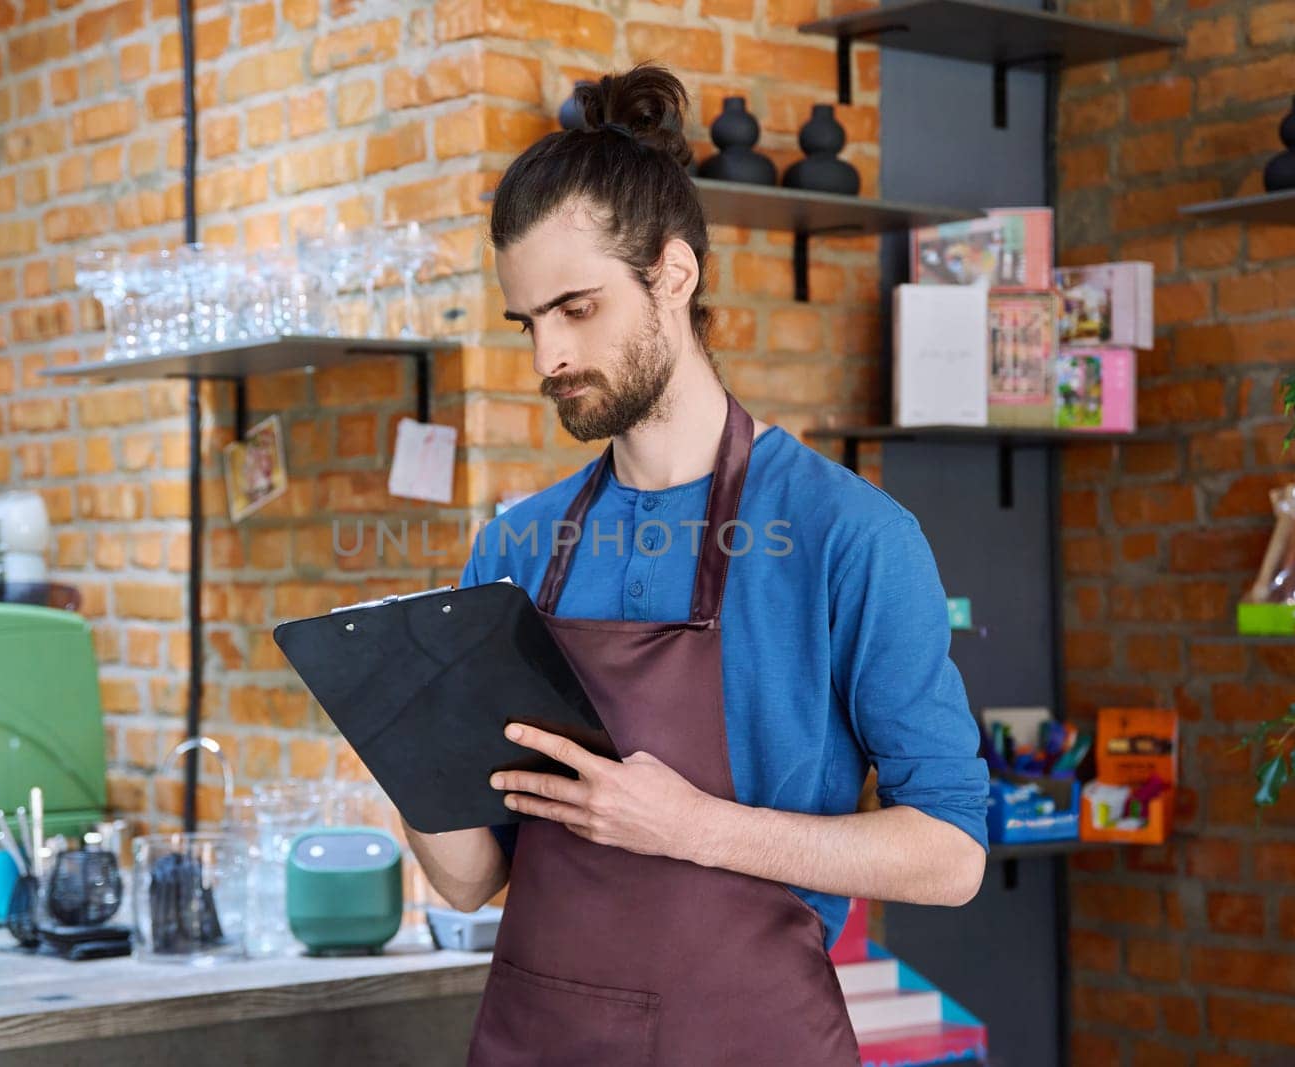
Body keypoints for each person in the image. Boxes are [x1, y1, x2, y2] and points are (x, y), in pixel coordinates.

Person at [399, 63, 988, 1065]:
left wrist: (694, 825)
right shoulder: (514, 546)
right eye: (529, 320)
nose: (547, 356)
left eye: (576, 309)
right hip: (539, 1040)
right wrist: (398, 724)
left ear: (673, 275)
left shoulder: (847, 534)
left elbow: (950, 851)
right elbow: (468, 878)